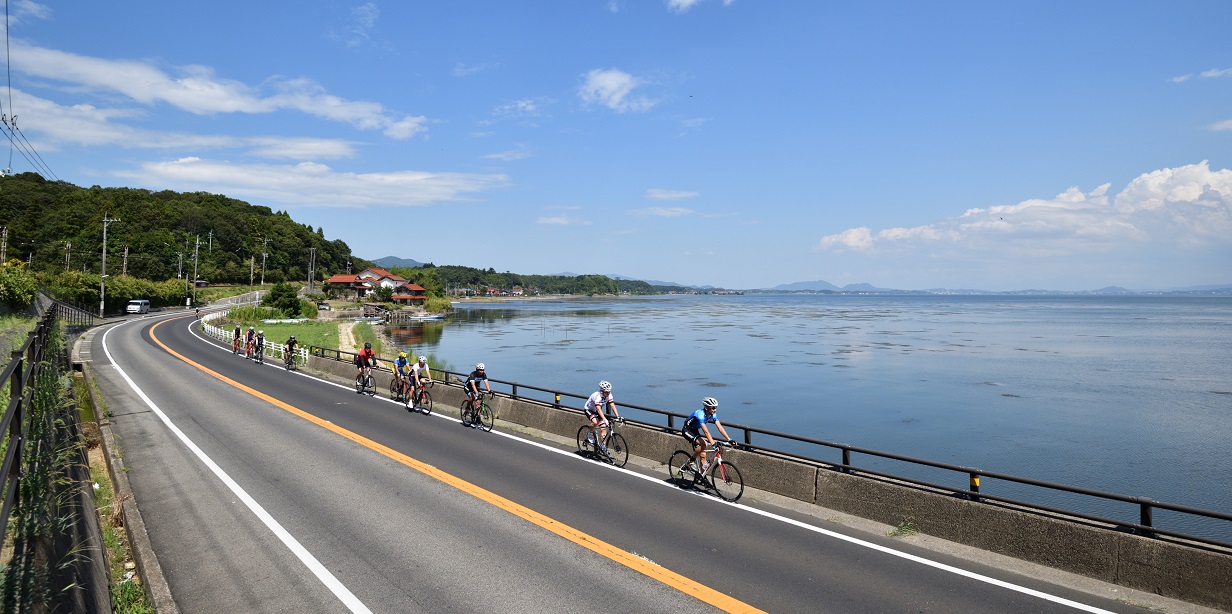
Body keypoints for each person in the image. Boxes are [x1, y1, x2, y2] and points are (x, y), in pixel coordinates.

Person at [682, 397, 735, 478]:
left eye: (716, 408)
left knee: (703, 455)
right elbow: (706, 432)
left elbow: (720, 427)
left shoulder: (713, 414)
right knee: (704, 444)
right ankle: (691, 461)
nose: (715, 410)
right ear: (706, 407)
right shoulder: (700, 415)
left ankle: (703, 478)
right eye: (713, 408)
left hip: (695, 430)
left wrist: (729, 439)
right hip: (687, 430)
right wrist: (713, 444)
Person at [584, 380, 623, 456]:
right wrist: (605, 419)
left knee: (603, 428)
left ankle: (603, 447)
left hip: (597, 411)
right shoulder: (597, 396)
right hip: (589, 410)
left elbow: (612, 405)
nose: (608, 393)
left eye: (609, 391)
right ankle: (589, 435)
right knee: (595, 422)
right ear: (602, 391)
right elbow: (598, 409)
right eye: (607, 392)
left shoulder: (609, 395)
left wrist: (618, 416)